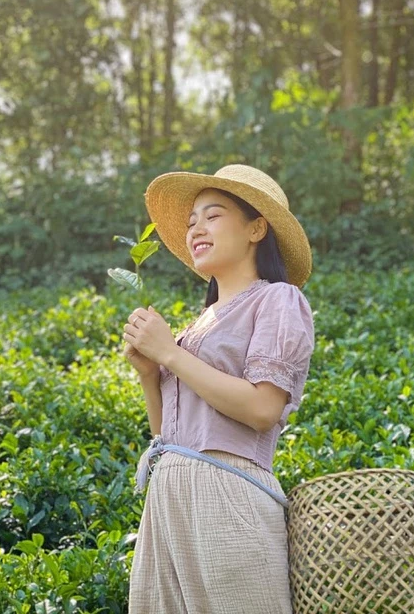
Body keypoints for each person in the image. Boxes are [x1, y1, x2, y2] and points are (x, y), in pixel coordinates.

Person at [122, 163, 315, 613]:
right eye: (191, 222)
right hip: (168, 497)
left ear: (256, 228)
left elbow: (264, 408)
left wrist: (170, 355)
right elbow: (168, 438)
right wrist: (151, 374)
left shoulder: (278, 299)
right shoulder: (195, 328)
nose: (196, 228)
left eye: (213, 215)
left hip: (229, 493)